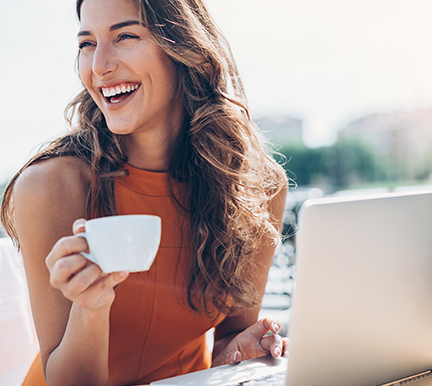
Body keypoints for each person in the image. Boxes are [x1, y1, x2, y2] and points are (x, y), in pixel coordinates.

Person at [0, 0, 288, 384]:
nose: (99, 65)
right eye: (87, 43)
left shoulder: (255, 189)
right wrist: (91, 307)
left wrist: (244, 349)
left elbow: (229, 340)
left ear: (184, 47)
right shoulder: (50, 186)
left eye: (125, 36)